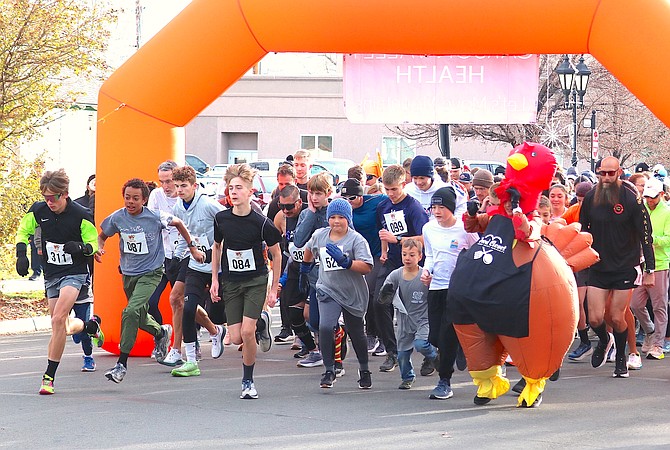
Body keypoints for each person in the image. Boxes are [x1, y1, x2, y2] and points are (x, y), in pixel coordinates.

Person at [97, 178, 205, 383]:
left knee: (129, 311)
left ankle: (121, 364)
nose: (130, 202)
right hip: (129, 274)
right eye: (127, 198)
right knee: (138, 316)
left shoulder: (155, 217)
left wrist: (191, 246)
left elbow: (179, 223)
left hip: (151, 272)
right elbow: (102, 235)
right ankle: (161, 331)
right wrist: (99, 247)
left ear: (144, 200)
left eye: (135, 198)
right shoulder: (118, 217)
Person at [16, 169, 103, 395]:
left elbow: (94, 243)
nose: (49, 202)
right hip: (52, 273)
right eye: (45, 197)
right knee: (60, 326)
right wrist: (21, 253)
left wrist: (83, 248)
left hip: (74, 273)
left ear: (64, 194)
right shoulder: (39, 210)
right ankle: (90, 326)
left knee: (57, 319)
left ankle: (49, 377)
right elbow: (23, 229)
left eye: (53, 197)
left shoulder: (80, 214)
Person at [209, 164, 282, 399]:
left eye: (239, 188)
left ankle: (248, 381)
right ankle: (262, 323)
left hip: (255, 280)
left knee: (247, 333)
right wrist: (215, 279)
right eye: (230, 188)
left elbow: (277, 254)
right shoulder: (221, 219)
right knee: (237, 337)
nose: (233, 192)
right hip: (231, 281)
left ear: (250, 192)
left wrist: (273, 288)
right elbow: (217, 247)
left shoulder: (261, 223)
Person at [579, 156, 655, 378]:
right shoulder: (592, 196)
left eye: (610, 173)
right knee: (594, 318)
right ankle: (605, 341)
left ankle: (621, 358)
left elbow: (645, 235)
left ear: (619, 172)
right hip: (598, 266)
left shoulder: (632, 198)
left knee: (616, 316)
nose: (606, 178)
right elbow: (583, 231)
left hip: (625, 266)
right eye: (602, 173)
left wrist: (650, 269)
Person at [301, 198, 374, 389]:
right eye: (332, 217)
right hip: (327, 289)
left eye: (341, 217)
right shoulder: (320, 235)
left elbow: (367, 267)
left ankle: (364, 370)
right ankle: (329, 370)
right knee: (325, 327)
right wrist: (305, 268)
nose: (336, 221)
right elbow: (308, 248)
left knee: (356, 331)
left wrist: (346, 262)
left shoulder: (356, 239)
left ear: (348, 219)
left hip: (352, 292)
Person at [420, 187, 479, 399]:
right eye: (434, 207)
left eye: (441, 207)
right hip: (436, 287)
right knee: (435, 336)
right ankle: (458, 348)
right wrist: (427, 270)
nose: (437, 211)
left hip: (456, 290)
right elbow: (429, 255)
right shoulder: (428, 229)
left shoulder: (465, 229)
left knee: (446, 335)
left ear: (451, 209)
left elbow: (477, 252)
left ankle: (444, 380)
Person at [169, 166, 227, 377]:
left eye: (183, 186)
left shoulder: (209, 205)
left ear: (194, 186)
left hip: (217, 265)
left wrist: (219, 251)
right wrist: (178, 256)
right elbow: (187, 236)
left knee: (222, 313)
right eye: (177, 186)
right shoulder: (177, 208)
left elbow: (228, 225)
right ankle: (191, 361)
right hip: (195, 264)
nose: (179, 190)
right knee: (188, 307)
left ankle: (223, 329)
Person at [376, 165, 429, 372]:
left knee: (419, 309)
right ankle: (392, 352)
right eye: (387, 190)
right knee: (379, 303)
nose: (390, 194)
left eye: (394, 190)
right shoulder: (383, 206)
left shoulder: (413, 208)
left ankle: (429, 353)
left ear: (403, 185)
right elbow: (383, 231)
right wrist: (383, 250)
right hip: (391, 263)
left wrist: (398, 240)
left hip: (413, 265)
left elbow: (425, 238)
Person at [378, 238, 437, 390]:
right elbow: (385, 292)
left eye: (412, 255)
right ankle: (408, 377)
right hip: (404, 320)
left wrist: (431, 284)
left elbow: (435, 293)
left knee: (421, 344)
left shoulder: (425, 275)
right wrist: (385, 294)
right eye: (405, 254)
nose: (407, 258)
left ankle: (436, 357)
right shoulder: (396, 274)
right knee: (403, 355)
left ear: (420, 256)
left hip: (423, 319)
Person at [273, 185, 322, 367]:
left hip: (315, 269)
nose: (286, 210)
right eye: (282, 206)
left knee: (313, 315)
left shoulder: (311, 214)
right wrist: (281, 279)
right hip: (295, 267)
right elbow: (289, 249)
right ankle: (312, 350)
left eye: (289, 207)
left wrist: (310, 213)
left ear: (300, 202)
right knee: (293, 313)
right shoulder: (280, 216)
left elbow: (304, 241)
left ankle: (325, 345)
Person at [340, 178, 387, 358]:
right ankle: (368, 333)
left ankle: (378, 336)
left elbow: (391, 197)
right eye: (345, 199)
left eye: (352, 198)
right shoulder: (343, 210)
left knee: (373, 293)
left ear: (360, 195)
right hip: (354, 254)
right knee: (359, 294)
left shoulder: (374, 201)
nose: (349, 203)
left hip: (374, 254)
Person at [630, 177, 670, 360]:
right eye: (647, 196)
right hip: (641, 263)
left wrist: (652, 240)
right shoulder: (641, 209)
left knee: (659, 307)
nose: (649, 200)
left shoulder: (667, 213)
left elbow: (668, 239)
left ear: (662, 195)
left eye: (653, 197)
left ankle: (658, 345)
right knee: (635, 304)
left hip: (660, 264)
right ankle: (650, 330)